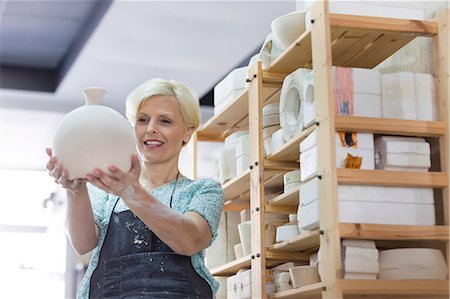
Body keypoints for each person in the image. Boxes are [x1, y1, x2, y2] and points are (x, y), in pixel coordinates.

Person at [46, 78, 224, 298]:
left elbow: (190, 241)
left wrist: (131, 193)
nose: (151, 129)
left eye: (165, 121)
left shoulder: (203, 191)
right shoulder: (106, 194)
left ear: (187, 132)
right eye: (142, 120)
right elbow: (82, 245)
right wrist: (75, 191)